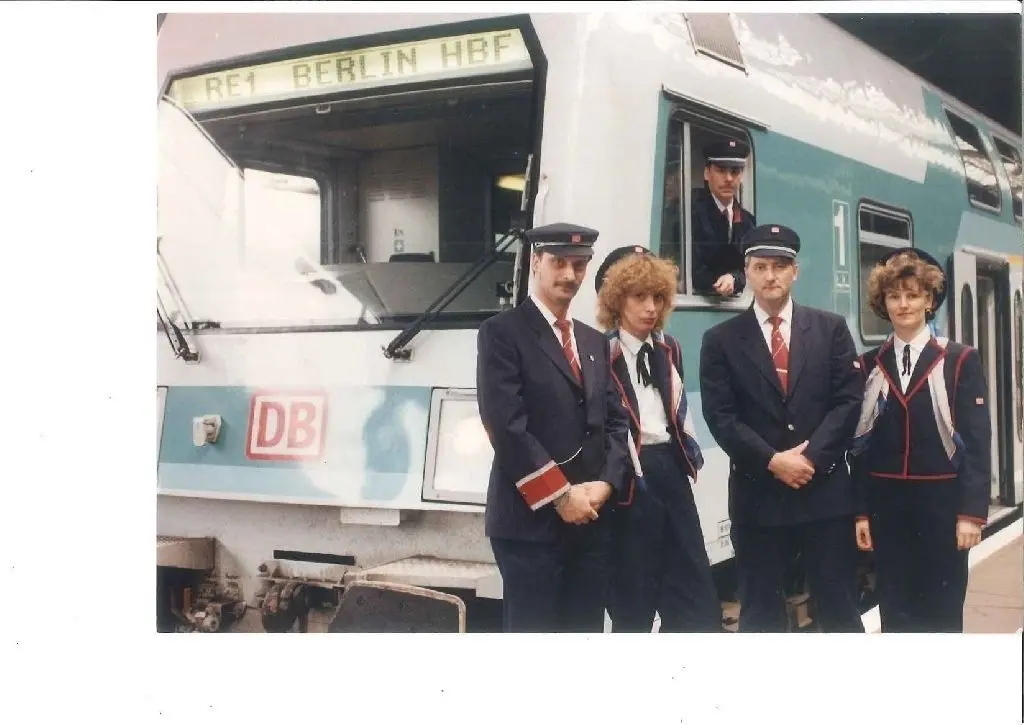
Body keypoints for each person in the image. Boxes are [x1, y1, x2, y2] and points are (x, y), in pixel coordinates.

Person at [698, 224, 866, 633]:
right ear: (747, 271)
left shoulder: (831, 329)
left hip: (823, 495)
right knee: (760, 613)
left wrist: (809, 458)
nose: (770, 275)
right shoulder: (720, 340)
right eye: (760, 266)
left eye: (779, 266)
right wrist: (773, 461)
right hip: (759, 498)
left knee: (839, 606)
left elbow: (848, 401)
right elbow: (720, 416)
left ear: (796, 271)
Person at [476, 222, 633, 633]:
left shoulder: (594, 341)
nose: (569, 275)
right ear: (536, 263)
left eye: (579, 265)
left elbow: (616, 421)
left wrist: (607, 485)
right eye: (559, 262)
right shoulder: (502, 334)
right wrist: (561, 496)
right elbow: (506, 427)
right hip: (530, 525)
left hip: (591, 519)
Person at [849, 247, 990, 633]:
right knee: (895, 610)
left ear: (929, 300)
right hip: (887, 506)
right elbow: (860, 447)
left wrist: (971, 514)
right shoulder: (869, 364)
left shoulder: (960, 360)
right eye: (894, 296)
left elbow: (977, 442)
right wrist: (861, 511)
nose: (903, 304)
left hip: (942, 506)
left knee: (943, 612)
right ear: (883, 303)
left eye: (912, 295)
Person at [594, 245, 722, 633]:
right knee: (632, 602)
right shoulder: (601, 351)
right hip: (627, 476)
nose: (650, 307)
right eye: (639, 297)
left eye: (658, 297)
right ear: (617, 300)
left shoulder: (669, 348)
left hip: (670, 469)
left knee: (696, 601)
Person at [690, 138, 757, 298]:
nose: (728, 179)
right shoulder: (689, 211)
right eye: (721, 170)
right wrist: (720, 281)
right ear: (707, 173)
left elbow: (752, 268)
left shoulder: (747, 221)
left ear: (741, 176)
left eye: (734, 172)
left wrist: (734, 279)